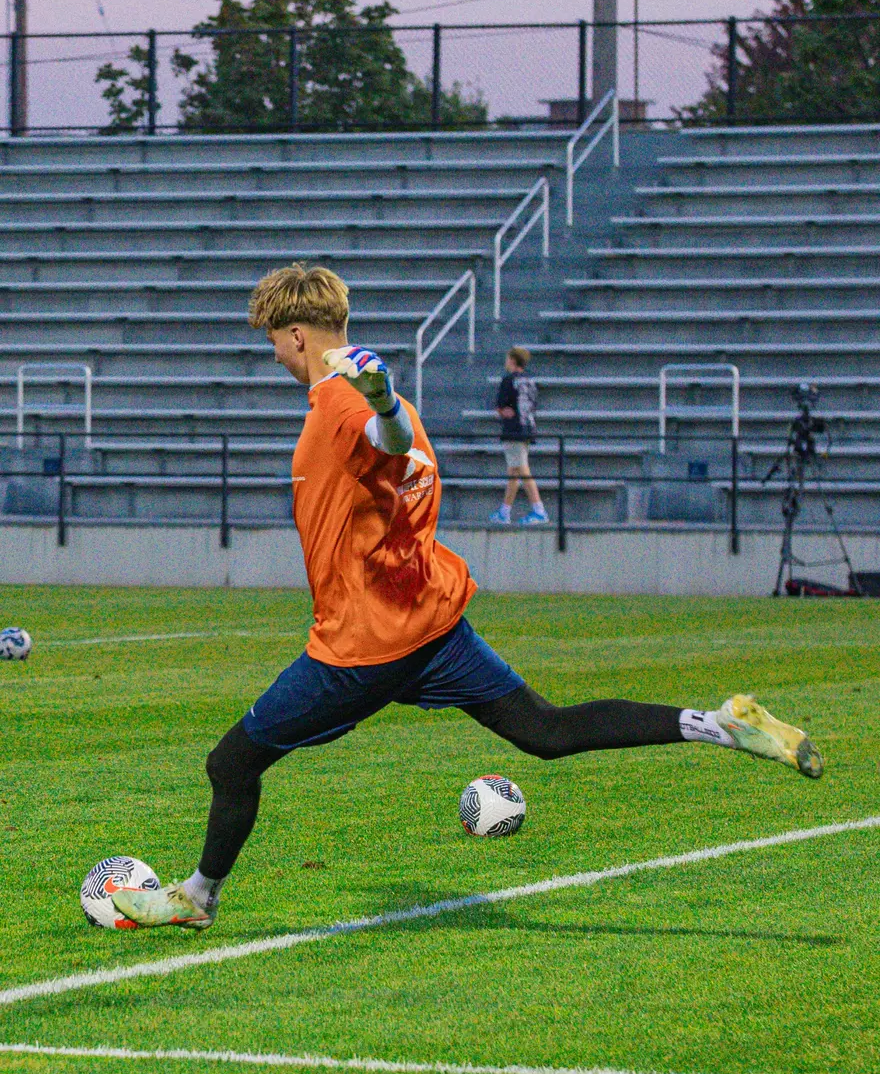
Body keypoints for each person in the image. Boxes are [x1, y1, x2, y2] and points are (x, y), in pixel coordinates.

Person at [112, 264, 824, 931]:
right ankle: (719, 724)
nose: (272, 355)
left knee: (230, 765)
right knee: (546, 732)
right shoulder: (384, 401)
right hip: (432, 623)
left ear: (296, 334)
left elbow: (380, 438)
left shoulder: (339, 400)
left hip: (364, 646)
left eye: (272, 341)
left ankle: (197, 897)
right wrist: (387, 399)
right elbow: (394, 440)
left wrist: (380, 398)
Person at [490, 347, 547, 526]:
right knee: (513, 471)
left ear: (513, 360)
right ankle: (505, 511)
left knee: (522, 469)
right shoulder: (530, 380)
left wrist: (502, 411)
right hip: (528, 427)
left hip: (513, 429)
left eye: (508, 358)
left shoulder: (508, 380)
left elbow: (500, 407)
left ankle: (539, 510)